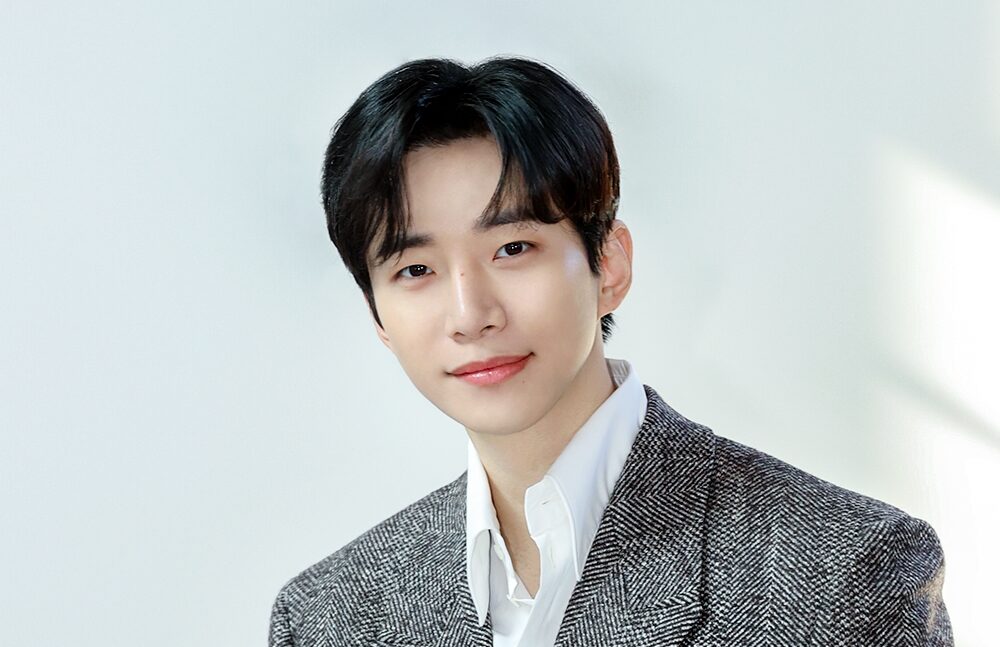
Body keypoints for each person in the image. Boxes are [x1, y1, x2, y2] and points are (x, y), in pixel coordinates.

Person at [268, 57, 952, 646]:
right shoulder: (327, 617)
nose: (471, 315)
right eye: (416, 270)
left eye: (513, 248)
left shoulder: (842, 571)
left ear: (609, 265)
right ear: (377, 314)